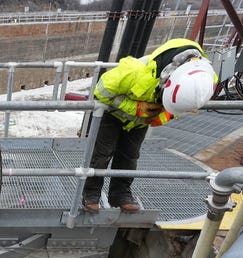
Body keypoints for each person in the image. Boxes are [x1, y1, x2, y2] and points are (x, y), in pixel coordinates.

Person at [82, 38, 217, 214]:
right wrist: (137, 108)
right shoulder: (134, 72)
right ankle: (91, 194)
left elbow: (183, 105)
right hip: (112, 115)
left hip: (140, 122)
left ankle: (121, 194)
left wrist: (164, 115)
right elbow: (101, 92)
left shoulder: (203, 80)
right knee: (102, 154)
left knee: (129, 155)